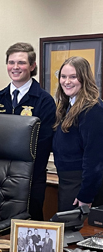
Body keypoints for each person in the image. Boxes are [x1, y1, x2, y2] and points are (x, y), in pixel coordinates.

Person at [0, 42, 56, 221]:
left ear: (32, 66)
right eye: (11, 62)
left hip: (30, 179)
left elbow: (43, 144)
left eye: (21, 63)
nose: (15, 67)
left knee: (30, 227)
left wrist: (22, 173)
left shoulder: (44, 101)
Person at [53, 56, 103, 211]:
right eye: (63, 76)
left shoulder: (92, 110)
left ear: (84, 79)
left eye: (73, 77)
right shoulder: (69, 105)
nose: (67, 81)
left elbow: (95, 158)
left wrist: (86, 195)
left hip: (80, 185)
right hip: (67, 181)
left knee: (75, 233)